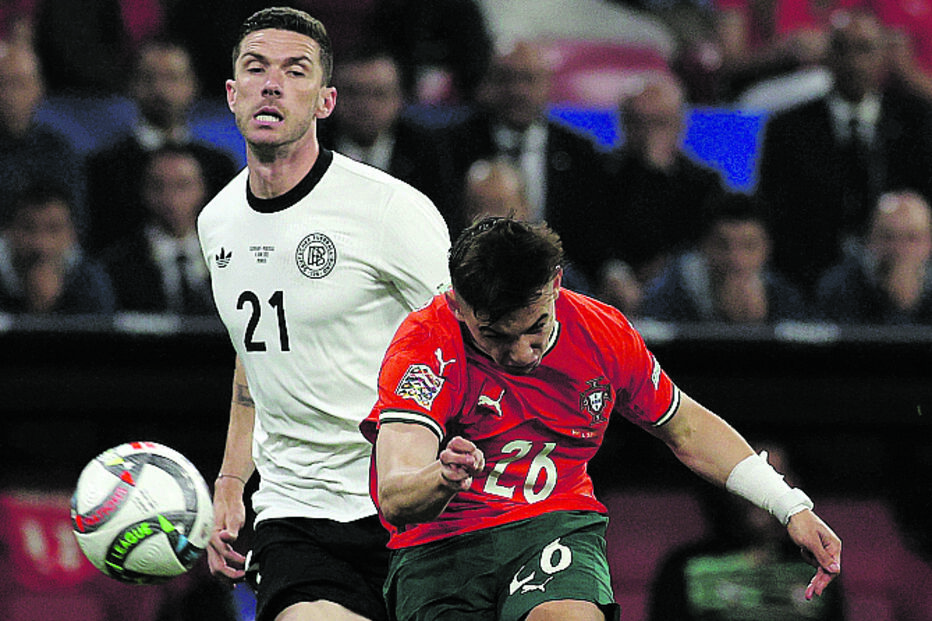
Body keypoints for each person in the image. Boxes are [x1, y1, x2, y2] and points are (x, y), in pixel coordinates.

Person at [361, 216, 841, 621]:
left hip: (551, 524)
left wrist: (789, 506)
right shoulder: (424, 346)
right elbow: (396, 495)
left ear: (555, 284)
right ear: (458, 304)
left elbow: (687, 427)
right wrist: (441, 478)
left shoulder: (602, 334)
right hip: (443, 542)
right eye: (496, 336)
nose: (521, 353)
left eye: (535, 327)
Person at [196, 8, 451, 621]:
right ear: (231, 94)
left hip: (408, 503)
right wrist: (231, 482)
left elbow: (467, 341)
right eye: (255, 68)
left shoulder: (389, 211)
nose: (271, 84)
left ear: (325, 101)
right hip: (296, 514)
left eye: (295, 71)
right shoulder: (216, 221)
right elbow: (254, 360)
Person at [756, 8, 932, 296]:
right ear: (826, 56)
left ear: (884, 56)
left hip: (907, 277)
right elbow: (775, 218)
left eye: (864, 49)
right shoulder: (787, 129)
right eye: (841, 49)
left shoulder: (918, 123)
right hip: (808, 282)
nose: (853, 62)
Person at [443, 39, 614, 280]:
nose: (518, 90)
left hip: (561, 278)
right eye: (506, 78)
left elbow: (593, 231)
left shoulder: (578, 151)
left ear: (548, 84)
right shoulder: (450, 146)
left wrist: (612, 271)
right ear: (488, 82)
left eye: (528, 79)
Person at [648, 442, 846, 620]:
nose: (761, 494)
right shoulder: (688, 565)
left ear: (795, 487)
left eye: (775, 480)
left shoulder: (815, 567)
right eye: (752, 482)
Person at [84, 37, 238, 256]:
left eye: (172, 78)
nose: (160, 90)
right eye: (149, 78)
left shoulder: (219, 166)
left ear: (194, 84)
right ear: (130, 84)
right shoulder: (103, 168)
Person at [598, 72, 727, 301]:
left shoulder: (704, 182)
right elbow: (597, 239)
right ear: (623, 123)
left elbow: (700, 244)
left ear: (679, 124)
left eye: (659, 122)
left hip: (681, 288)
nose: (649, 133)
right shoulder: (598, 173)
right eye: (638, 122)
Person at [317, 46, 459, 225]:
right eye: (353, 92)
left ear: (400, 99)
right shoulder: (309, 146)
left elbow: (442, 220)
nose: (365, 105)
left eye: (379, 94)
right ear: (330, 97)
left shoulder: (427, 151)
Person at [639, 192, 809, 323]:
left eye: (749, 246)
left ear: (766, 249)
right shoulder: (668, 293)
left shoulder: (784, 296)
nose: (735, 259)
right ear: (703, 247)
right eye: (722, 246)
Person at [102, 144, 216, 316]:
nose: (171, 199)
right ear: (143, 191)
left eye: (182, 185)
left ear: (202, 189)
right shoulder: (116, 264)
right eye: (158, 186)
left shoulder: (227, 255)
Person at [0, 41, 85, 235]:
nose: (8, 95)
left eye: (19, 84)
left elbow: (76, 222)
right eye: (1, 84)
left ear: (39, 90)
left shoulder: (59, 150)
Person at [815, 190, 932, 325]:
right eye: (888, 237)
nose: (899, 249)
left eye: (912, 238)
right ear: (870, 240)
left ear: (928, 243)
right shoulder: (839, 286)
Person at [0, 183, 115, 315]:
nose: (41, 244)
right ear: (8, 231)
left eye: (54, 229)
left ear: (72, 234)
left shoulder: (92, 280)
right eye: (28, 228)